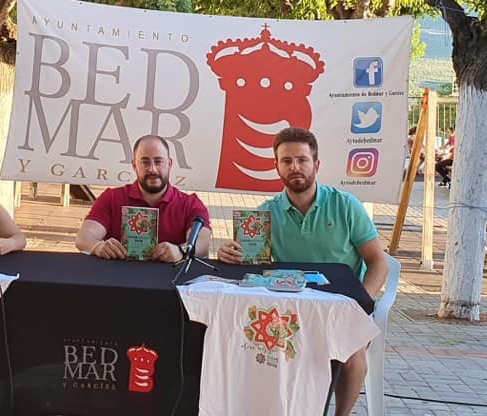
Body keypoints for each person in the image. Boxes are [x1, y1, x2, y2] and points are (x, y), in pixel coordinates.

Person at [216, 127, 388, 416]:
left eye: (302, 160)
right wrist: (229, 254)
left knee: (353, 352)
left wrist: (361, 302)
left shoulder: (346, 205)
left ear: (316, 165)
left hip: (342, 305)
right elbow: (249, 265)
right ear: (276, 166)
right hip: (289, 309)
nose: (294, 167)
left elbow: (378, 262)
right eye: (286, 161)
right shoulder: (264, 214)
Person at [75, 134, 211, 262]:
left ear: (169, 164)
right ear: (134, 165)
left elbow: (203, 243)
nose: (152, 169)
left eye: (158, 161)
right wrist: (98, 247)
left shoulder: (191, 204)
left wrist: (181, 251)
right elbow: (83, 237)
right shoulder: (112, 198)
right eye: (145, 162)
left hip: (171, 278)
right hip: (117, 277)